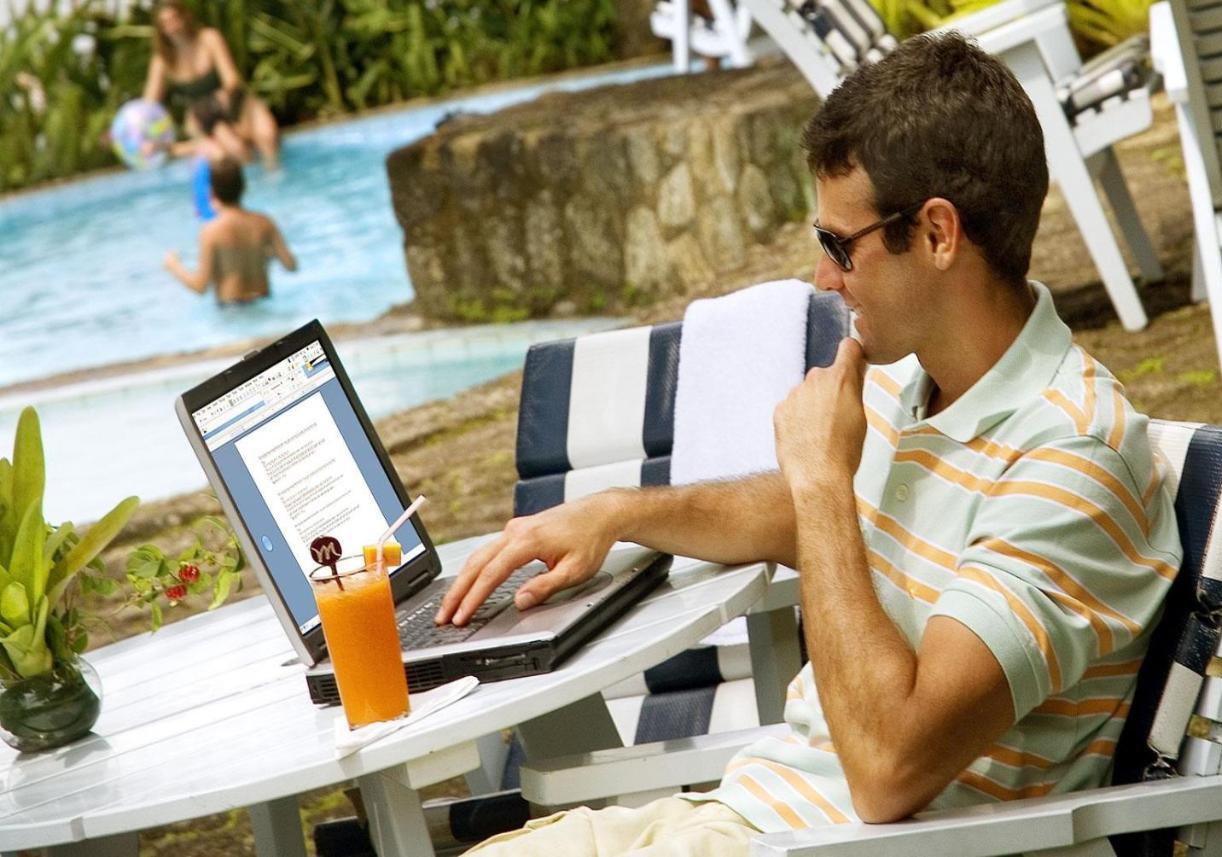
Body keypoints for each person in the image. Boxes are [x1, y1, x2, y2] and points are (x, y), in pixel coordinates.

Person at [435, 31, 1183, 857]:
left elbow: (887, 767)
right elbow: (803, 515)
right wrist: (619, 512)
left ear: (937, 234)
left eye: (839, 244)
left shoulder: (1071, 456)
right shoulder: (918, 384)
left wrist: (824, 478)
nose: (824, 279)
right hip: (754, 815)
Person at [143, 0, 279, 167]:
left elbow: (231, 79)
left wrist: (221, 98)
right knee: (236, 151)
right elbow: (149, 104)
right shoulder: (163, 59)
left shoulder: (209, 38)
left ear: (185, 17)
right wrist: (143, 136)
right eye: (165, 23)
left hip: (234, 100)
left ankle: (275, 176)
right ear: (160, 30)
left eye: (174, 18)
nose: (172, 26)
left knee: (267, 135)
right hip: (206, 116)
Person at [164, 159, 296, 304]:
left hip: (233, 310)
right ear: (244, 187)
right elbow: (291, 265)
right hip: (264, 300)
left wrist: (174, 266)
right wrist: (267, 254)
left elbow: (200, 286)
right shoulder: (264, 222)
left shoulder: (211, 231)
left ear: (212, 192)